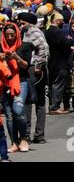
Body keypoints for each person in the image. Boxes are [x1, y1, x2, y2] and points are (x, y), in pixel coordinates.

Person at [0, 23, 32, 152]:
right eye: (7, 35)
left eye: (12, 35)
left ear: (17, 34)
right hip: (4, 83)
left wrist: (16, 57)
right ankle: (14, 142)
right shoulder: (1, 47)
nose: (9, 37)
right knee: (9, 115)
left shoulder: (24, 46)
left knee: (18, 110)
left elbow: (26, 66)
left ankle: (23, 138)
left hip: (21, 81)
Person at [18, 12, 49, 144]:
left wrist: (38, 66)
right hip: (31, 69)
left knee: (31, 102)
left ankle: (30, 134)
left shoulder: (33, 32)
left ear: (28, 22)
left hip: (34, 70)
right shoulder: (26, 32)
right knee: (36, 102)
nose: (20, 24)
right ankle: (36, 135)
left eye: (22, 22)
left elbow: (43, 49)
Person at [45, 13, 73, 115]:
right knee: (58, 85)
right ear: (57, 21)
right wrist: (70, 40)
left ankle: (52, 105)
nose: (63, 23)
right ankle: (54, 107)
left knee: (53, 85)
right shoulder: (58, 32)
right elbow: (65, 44)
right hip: (60, 63)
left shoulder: (47, 32)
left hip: (51, 63)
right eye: (61, 21)